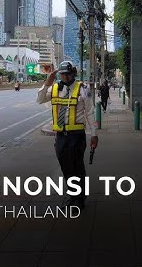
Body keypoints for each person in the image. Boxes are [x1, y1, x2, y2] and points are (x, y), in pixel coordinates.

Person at [36, 61, 98, 208]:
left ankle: (80, 198)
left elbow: (90, 113)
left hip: (76, 135)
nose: (65, 77)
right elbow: (39, 99)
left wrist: (94, 134)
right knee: (66, 167)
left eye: (68, 74)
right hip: (60, 136)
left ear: (73, 74)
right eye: (62, 74)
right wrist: (47, 83)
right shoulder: (55, 88)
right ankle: (72, 195)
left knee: (77, 166)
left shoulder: (83, 89)